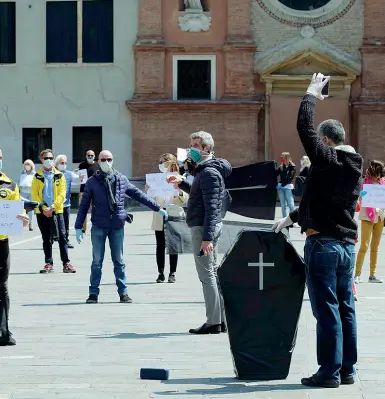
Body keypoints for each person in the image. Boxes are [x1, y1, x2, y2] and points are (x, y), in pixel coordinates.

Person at [273, 73, 363, 388]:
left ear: (326, 141)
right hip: (347, 246)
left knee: (327, 311)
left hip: (323, 246)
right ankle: (348, 370)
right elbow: (326, 201)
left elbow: (304, 128)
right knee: (345, 308)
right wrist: (293, 216)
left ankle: (328, 373)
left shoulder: (327, 159)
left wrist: (312, 93)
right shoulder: (354, 168)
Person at [75, 150, 167, 304]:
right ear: (98, 161)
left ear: (113, 160)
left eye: (109, 159)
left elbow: (138, 194)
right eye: (103, 159)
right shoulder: (92, 181)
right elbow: (84, 205)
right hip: (98, 225)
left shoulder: (121, 179)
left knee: (119, 260)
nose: (106, 162)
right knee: (97, 261)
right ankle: (93, 293)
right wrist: (79, 226)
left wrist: (157, 207)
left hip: (117, 225)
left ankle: (123, 292)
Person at [168, 131, 232, 335]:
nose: (190, 148)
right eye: (190, 144)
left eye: (195, 145)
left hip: (204, 228)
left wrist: (207, 238)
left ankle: (214, 321)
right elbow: (203, 196)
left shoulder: (209, 172)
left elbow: (212, 207)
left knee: (207, 275)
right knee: (212, 273)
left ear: (206, 148)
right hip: (206, 227)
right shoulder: (205, 170)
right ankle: (220, 320)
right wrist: (183, 185)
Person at [0, 149, 31, 346]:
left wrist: (23, 220)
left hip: (1, 243)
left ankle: (3, 332)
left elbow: (16, 212)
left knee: (2, 287)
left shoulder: (10, 184)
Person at [32, 149, 76, 274]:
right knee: (46, 237)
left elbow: (62, 193)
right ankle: (48, 263)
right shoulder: (37, 176)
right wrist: (43, 207)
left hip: (57, 211)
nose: (48, 160)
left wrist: (53, 207)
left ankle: (66, 263)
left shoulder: (59, 175)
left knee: (62, 236)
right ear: (41, 160)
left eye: (51, 158)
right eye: (46, 158)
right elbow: (34, 195)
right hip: (42, 212)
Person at [146, 153, 188, 283]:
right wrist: (149, 191)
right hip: (160, 213)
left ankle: (172, 273)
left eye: (163, 161)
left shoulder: (179, 178)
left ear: (170, 162)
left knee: (173, 245)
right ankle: (161, 272)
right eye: (159, 162)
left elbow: (185, 198)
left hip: (174, 214)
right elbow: (151, 199)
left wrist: (179, 190)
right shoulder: (156, 179)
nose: (160, 164)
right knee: (160, 244)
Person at [354, 160, 385, 284]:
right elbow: (360, 196)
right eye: (379, 172)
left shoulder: (383, 183)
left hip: (380, 217)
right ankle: (357, 274)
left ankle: (372, 275)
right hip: (367, 216)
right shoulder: (364, 182)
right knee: (364, 246)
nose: (381, 175)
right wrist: (362, 195)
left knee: (375, 247)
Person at [55, 154, 80, 249]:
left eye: (65, 163)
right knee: (54, 223)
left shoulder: (69, 174)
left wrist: (81, 177)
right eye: (62, 163)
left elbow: (78, 180)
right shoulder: (52, 173)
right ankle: (53, 239)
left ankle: (66, 241)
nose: (64, 164)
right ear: (56, 163)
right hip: (54, 204)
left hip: (66, 204)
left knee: (65, 223)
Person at [77, 150, 99, 233]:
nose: (90, 157)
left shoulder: (97, 165)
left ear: (94, 156)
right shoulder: (82, 165)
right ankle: (83, 228)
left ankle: (95, 226)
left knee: (94, 209)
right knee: (83, 209)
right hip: (83, 190)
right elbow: (79, 177)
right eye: (88, 155)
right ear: (86, 156)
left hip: (95, 191)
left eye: (91, 155)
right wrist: (79, 177)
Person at [276, 152, 296, 217]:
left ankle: (292, 221)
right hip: (281, 188)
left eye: (282, 157)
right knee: (283, 205)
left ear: (286, 158)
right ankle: (284, 220)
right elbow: (275, 174)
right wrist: (272, 166)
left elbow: (289, 179)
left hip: (288, 187)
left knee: (291, 204)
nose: (281, 158)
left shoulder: (292, 166)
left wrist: (281, 185)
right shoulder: (281, 166)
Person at [18, 159, 36, 231]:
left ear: (31, 166)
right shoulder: (22, 173)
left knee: (30, 209)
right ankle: (21, 223)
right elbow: (19, 181)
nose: (27, 166)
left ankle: (30, 223)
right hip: (23, 191)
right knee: (22, 207)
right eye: (26, 165)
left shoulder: (34, 174)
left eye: (28, 164)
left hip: (31, 192)